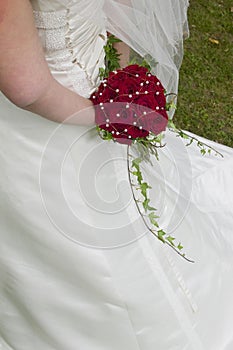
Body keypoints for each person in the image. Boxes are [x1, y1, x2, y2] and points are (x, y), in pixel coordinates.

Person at [0, 1, 233, 349]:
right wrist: (114, 96)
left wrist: (114, 102)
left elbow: (27, 84)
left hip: (57, 103)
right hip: (64, 101)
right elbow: (25, 86)